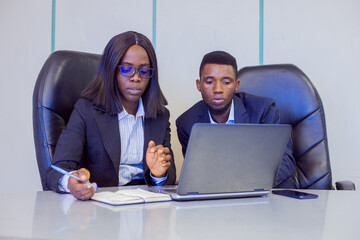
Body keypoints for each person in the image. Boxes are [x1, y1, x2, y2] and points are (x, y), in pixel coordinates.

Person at [45, 31, 176, 200]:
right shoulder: (86, 110)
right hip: (101, 207)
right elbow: (55, 171)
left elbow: (170, 176)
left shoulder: (160, 116)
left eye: (143, 71)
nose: (136, 78)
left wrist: (158, 175)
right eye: (127, 69)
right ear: (111, 71)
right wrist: (71, 182)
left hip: (146, 208)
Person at [176, 50, 295, 187]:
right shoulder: (186, 123)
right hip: (215, 197)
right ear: (199, 85)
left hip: (261, 194)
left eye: (226, 82)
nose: (218, 89)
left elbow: (285, 162)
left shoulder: (263, 110)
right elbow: (196, 174)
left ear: (236, 85)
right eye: (209, 82)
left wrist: (242, 181)